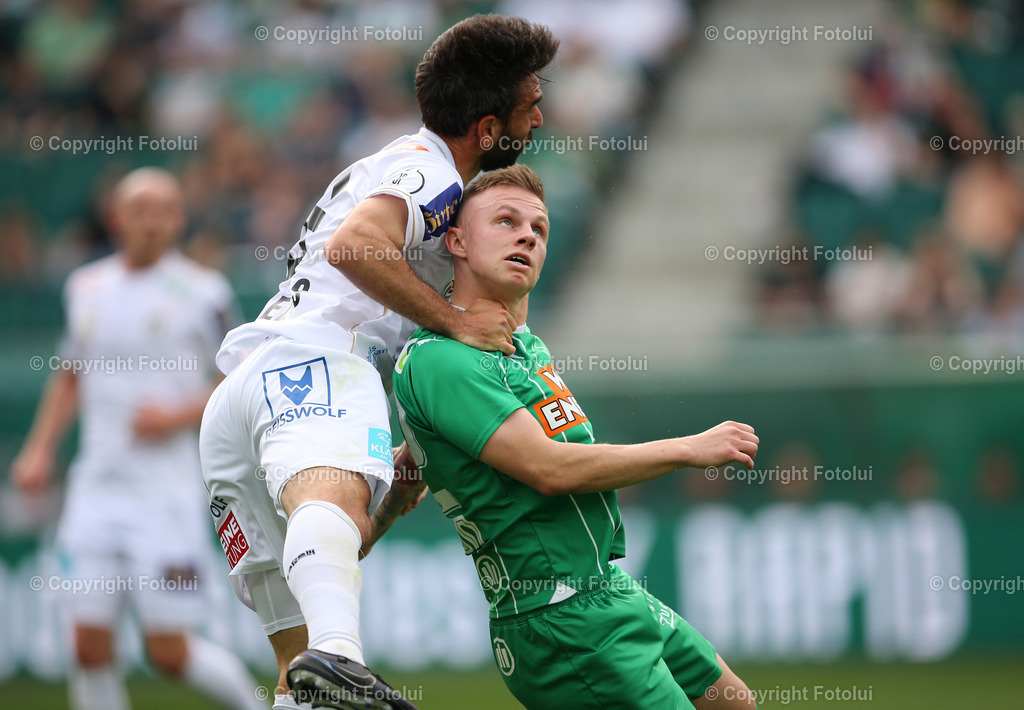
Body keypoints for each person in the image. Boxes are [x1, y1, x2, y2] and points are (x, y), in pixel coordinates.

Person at [198, 14, 559, 710]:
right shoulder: (429, 171)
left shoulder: (389, 165)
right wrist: (456, 319)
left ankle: (327, 658)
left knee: (296, 674)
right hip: (320, 361)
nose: (540, 117)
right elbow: (355, 248)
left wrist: (395, 490)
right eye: (530, 103)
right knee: (326, 628)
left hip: (242, 394)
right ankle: (341, 654)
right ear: (487, 128)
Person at [392, 165, 761, 710]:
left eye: (539, 230)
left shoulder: (524, 347)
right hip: (557, 620)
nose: (527, 236)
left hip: (607, 589)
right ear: (457, 241)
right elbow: (550, 469)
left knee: (735, 703)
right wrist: (688, 449)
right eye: (506, 221)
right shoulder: (444, 360)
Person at [11, 168, 264, 710]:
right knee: (85, 645)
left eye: (163, 210)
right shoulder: (85, 287)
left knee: (167, 652)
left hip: (165, 495)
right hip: (94, 491)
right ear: (116, 217)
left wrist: (174, 416)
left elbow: (237, 381)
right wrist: (38, 450)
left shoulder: (204, 291)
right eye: (139, 210)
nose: (150, 221)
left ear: (178, 219)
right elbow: (69, 375)